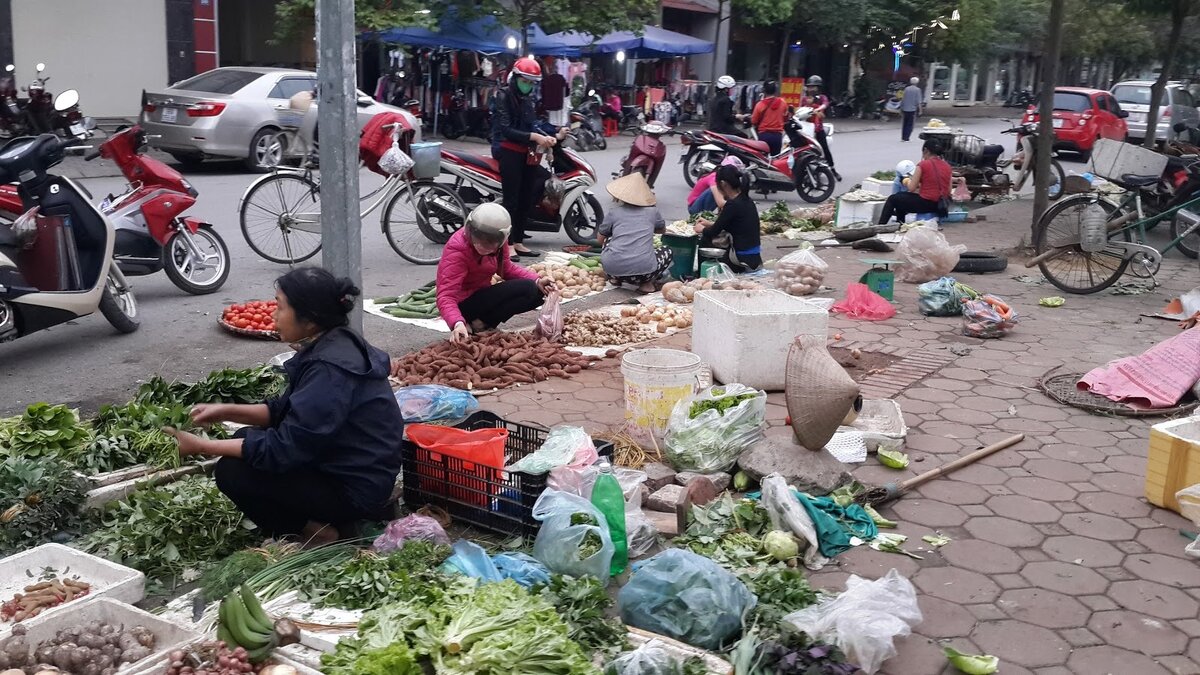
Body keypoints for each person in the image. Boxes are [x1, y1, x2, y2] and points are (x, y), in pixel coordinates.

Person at [164, 267, 403, 545]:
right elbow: (283, 411)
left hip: (355, 487)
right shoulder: (333, 343)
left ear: (310, 320)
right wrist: (224, 410)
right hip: (346, 464)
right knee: (243, 439)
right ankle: (317, 521)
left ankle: (320, 533)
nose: (273, 316)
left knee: (233, 471)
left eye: (280, 307)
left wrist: (203, 447)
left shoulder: (329, 369)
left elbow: (285, 448)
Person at [434, 202, 555, 344]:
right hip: (462, 305)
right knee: (528, 288)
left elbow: (507, 269)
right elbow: (446, 296)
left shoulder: (499, 243)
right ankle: (470, 324)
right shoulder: (457, 250)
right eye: (478, 239)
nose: (482, 245)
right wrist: (457, 322)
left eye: (489, 242)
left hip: (481, 295)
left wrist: (537, 280)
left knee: (537, 292)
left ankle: (481, 324)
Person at [491, 56, 566, 258]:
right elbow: (506, 129)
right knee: (512, 200)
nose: (527, 85)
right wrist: (534, 137)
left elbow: (533, 124)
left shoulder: (527, 99)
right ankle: (506, 245)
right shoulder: (503, 96)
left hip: (528, 152)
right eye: (525, 81)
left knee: (527, 198)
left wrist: (552, 134)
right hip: (508, 150)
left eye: (531, 83)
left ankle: (519, 241)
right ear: (515, 78)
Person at [598, 172, 673, 293]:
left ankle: (615, 279)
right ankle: (646, 284)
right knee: (667, 251)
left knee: (608, 238)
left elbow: (600, 240)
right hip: (644, 272)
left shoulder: (613, 213)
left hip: (612, 269)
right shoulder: (652, 212)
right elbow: (662, 230)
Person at [693, 164, 763, 272]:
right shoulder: (747, 200)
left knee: (705, 239)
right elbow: (734, 225)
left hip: (739, 259)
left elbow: (713, 232)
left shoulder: (732, 205)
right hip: (754, 258)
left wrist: (701, 229)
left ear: (723, 184)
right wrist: (710, 223)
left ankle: (701, 275)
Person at [879, 138, 952, 224]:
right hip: (942, 205)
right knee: (902, 197)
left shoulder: (923, 165)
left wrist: (905, 180)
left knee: (893, 199)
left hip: (926, 204)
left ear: (926, 150)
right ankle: (900, 224)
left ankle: (880, 227)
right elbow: (949, 190)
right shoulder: (947, 166)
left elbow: (911, 188)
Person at [800, 75, 842, 181]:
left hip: (817, 129)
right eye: (809, 87)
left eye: (813, 87)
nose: (811, 89)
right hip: (806, 129)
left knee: (825, 150)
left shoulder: (822, 98)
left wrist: (817, 108)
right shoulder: (805, 99)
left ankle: (832, 170)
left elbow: (825, 106)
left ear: (818, 88)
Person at [750, 80, 786, 155]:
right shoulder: (783, 103)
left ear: (764, 91)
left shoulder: (759, 105)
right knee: (775, 160)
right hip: (777, 136)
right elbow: (785, 117)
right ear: (775, 90)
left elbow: (754, 121)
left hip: (764, 136)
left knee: (763, 161)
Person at [900, 76, 923, 142]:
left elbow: (903, 99)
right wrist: (920, 110)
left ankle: (903, 137)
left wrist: (901, 108)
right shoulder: (917, 90)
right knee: (910, 124)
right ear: (917, 82)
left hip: (905, 108)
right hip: (912, 109)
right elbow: (919, 101)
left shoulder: (906, 89)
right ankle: (907, 138)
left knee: (904, 123)